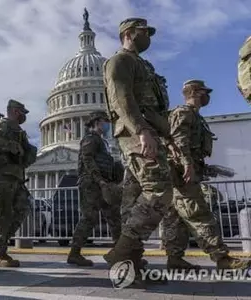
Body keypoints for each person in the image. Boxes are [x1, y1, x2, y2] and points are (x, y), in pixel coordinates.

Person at [103, 17, 174, 287]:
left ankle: (130, 263)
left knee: (132, 201)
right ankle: (123, 249)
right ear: (130, 33)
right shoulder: (120, 61)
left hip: (150, 132)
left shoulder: (143, 65)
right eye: (145, 32)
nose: (149, 38)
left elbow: (156, 107)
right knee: (158, 188)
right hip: (136, 133)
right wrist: (141, 130)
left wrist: (166, 136)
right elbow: (122, 99)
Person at [165, 79, 251, 270]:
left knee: (177, 219)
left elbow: (193, 149)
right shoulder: (183, 112)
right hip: (181, 175)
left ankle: (175, 259)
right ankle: (222, 258)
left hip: (184, 173)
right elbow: (179, 142)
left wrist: (207, 168)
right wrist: (187, 164)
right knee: (200, 214)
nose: (207, 96)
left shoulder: (196, 117)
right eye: (204, 92)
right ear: (194, 92)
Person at [67, 111, 124, 267]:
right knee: (89, 218)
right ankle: (74, 253)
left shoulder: (102, 141)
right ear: (96, 122)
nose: (107, 124)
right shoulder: (90, 139)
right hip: (92, 184)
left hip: (104, 184)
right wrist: (99, 180)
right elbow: (87, 159)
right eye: (105, 121)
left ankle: (121, 253)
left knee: (114, 218)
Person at [0, 99, 38, 267]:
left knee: (23, 207)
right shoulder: (1, 125)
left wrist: (27, 153)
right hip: (0, 176)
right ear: (15, 111)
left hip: (15, 177)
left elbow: (24, 155)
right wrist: (12, 146)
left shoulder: (19, 131)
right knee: (3, 213)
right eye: (22, 113)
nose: (24, 117)